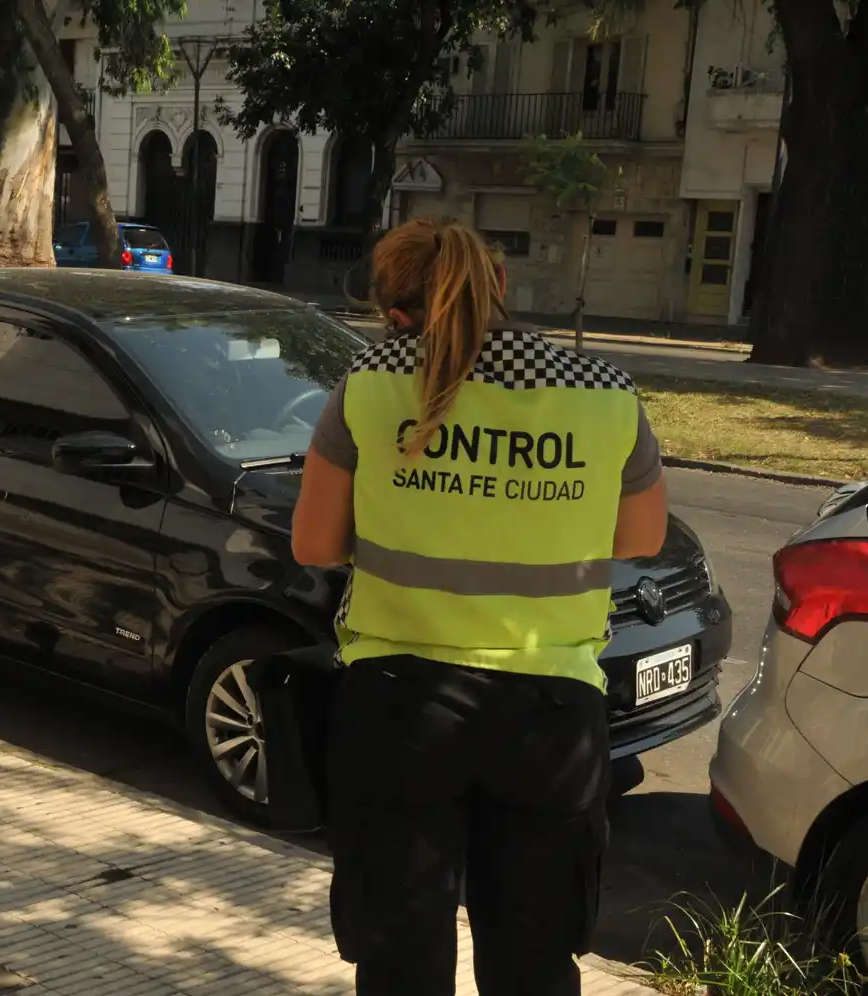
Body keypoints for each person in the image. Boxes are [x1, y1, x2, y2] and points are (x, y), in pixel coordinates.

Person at [290, 216, 668, 996]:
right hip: (551, 712)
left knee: (401, 962)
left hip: (399, 711)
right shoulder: (605, 395)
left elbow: (316, 546)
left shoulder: (367, 386)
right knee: (533, 963)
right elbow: (640, 539)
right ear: (498, 286)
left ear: (394, 311)